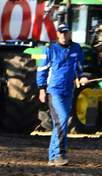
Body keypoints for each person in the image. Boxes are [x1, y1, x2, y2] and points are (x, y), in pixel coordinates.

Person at [37, 23, 89, 166]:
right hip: (54, 91)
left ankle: (53, 157)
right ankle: (59, 154)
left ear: (69, 32)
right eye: (61, 32)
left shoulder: (76, 48)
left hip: (68, 91)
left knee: (58, 124)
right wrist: (42, 89)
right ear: (57, 33)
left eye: (65, 32)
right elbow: (42, 70)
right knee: (63, 119)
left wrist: (81, 77)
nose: (63, 35)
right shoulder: (49, 48)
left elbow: (79, 67)